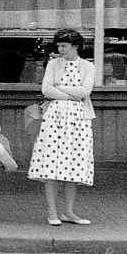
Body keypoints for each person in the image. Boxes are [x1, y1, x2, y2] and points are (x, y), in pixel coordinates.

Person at [27, 28, 95, 226]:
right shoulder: (53, 64)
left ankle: (69, 211)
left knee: (73, 163)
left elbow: (86, 91)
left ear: (75, 46)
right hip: (55, 116)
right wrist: (70, 95)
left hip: (79, 118)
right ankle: (52, 211)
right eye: (59, 45)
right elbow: (46, 89)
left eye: (64, 46)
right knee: (52, 162)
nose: (60, 49)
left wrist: (59, 89)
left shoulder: (88, 67)